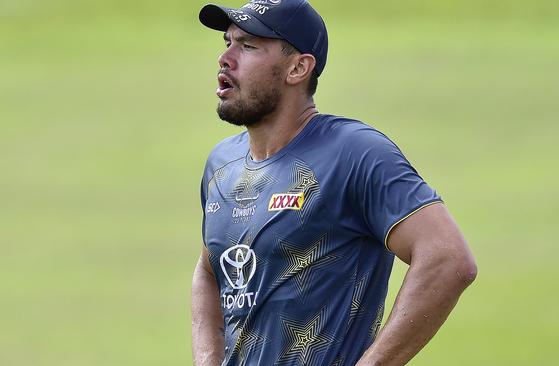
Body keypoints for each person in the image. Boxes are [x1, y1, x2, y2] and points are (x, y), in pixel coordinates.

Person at [191, 1, 477, 365]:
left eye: (247, 46)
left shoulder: (354, 154)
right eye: (228, 41)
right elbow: (210, 269)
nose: (225, 58)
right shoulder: (222, 165)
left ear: (298, 67)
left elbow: (448, 259)